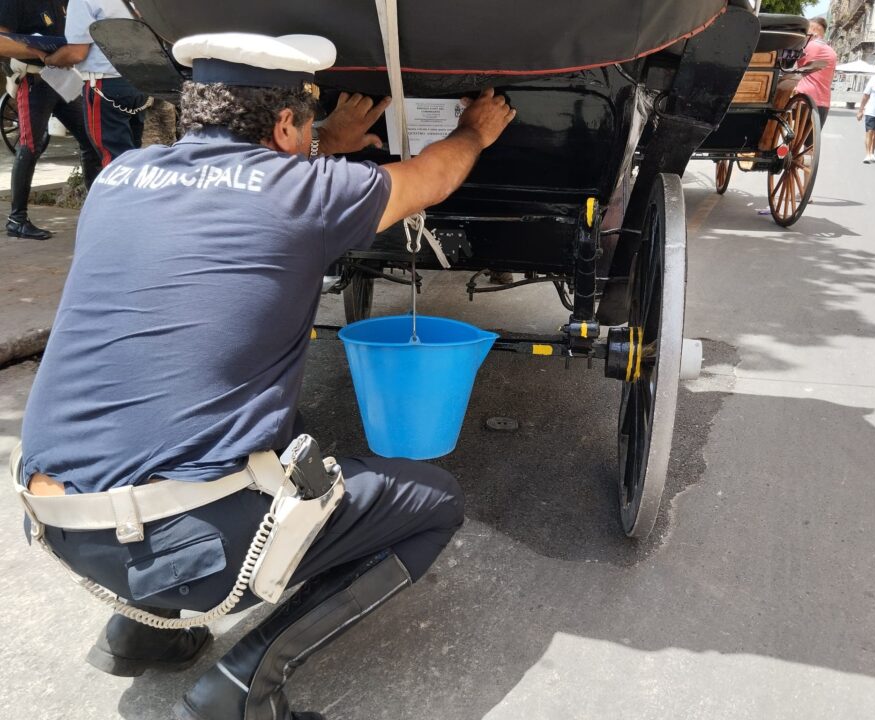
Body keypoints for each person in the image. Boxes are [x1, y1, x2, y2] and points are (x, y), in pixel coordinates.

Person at [14, 32, 514, 720]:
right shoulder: (306, 192)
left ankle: (139, 632)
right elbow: (432, 175)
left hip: (55, 519)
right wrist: (473, 129)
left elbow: (232, 178)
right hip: (187, 540)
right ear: (285, 124)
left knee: (261, 418)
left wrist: (324, 143)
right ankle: (243, 690)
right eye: (305, 123)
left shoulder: (121, 179)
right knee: (434, 502)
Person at [0, 0, 101, 239]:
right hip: (33, 78)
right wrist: (36, 52)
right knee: (30, 145)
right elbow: (2, 42)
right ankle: (17, 219)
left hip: (62, 78)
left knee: (90, 139)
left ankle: (94, 210)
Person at [44, 0, 151, 166]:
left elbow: (76, 53)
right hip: (138, 81)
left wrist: (48, 59)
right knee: (132, 158)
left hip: (105, 83)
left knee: (113, 162)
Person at [795, 16, 837, 128]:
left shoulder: (811, 46)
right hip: (823, 101)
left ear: (813, 29)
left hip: (805, 99)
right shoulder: (832, 52)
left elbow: (792, 65)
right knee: (810, 143)